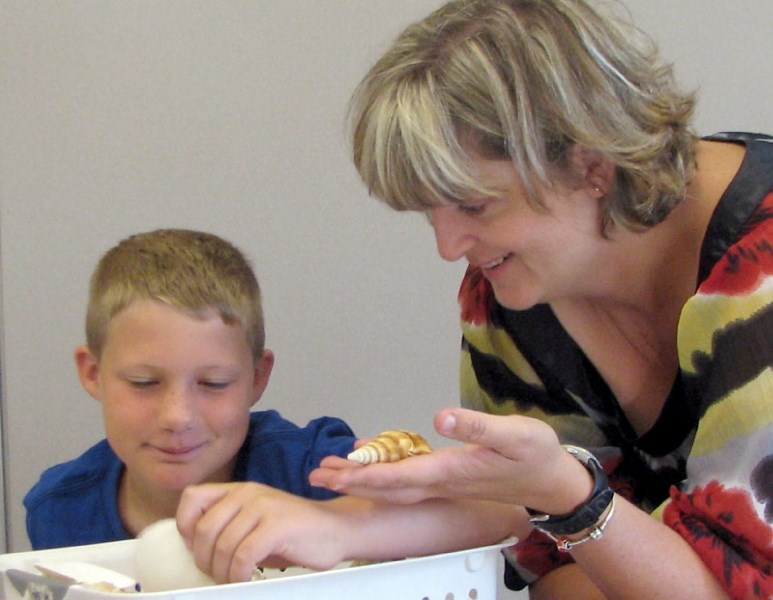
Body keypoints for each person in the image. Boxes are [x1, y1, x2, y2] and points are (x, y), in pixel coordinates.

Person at [176, 1, 772, 598]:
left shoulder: (759, 276)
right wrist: (338, 527)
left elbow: (723, 586)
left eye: (475, 206)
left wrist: (569, 499)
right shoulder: (515, 293)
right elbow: (537, 545)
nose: (448, 246)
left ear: (592, 165)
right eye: (431, 212)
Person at [24, 228, 358, 550]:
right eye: (144, 382)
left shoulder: (313, 472)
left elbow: (409, 506)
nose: (177, 417)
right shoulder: (58, 512)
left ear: (257, 378)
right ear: (93, 373)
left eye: (213, 384)